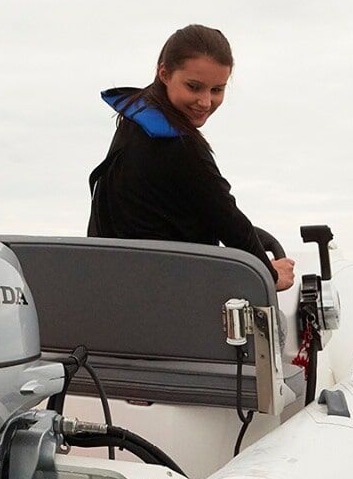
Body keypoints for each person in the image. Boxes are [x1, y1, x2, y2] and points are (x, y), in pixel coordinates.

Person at [88, 25, 295, 291]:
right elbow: (227, 218)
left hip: (119, 283)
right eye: (194, 87)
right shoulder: (177, 145)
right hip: (165, 293)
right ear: (164, 73)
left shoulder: (136, 122)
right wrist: (270, 276)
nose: (205, 101)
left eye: (217, 90)